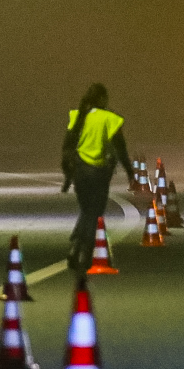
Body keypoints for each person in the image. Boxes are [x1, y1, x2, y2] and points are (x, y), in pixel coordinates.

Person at [61, 83, 131, 271]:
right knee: (94, 213)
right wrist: (130, 173)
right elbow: (121, 149)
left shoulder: (77, 116)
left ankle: (75, 246)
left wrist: (68, 175)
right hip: (99, 172)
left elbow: (66, 147)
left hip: (79, 172)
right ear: (102, 99)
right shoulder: (109, 118)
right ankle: (85, 252)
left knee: (85, 210)